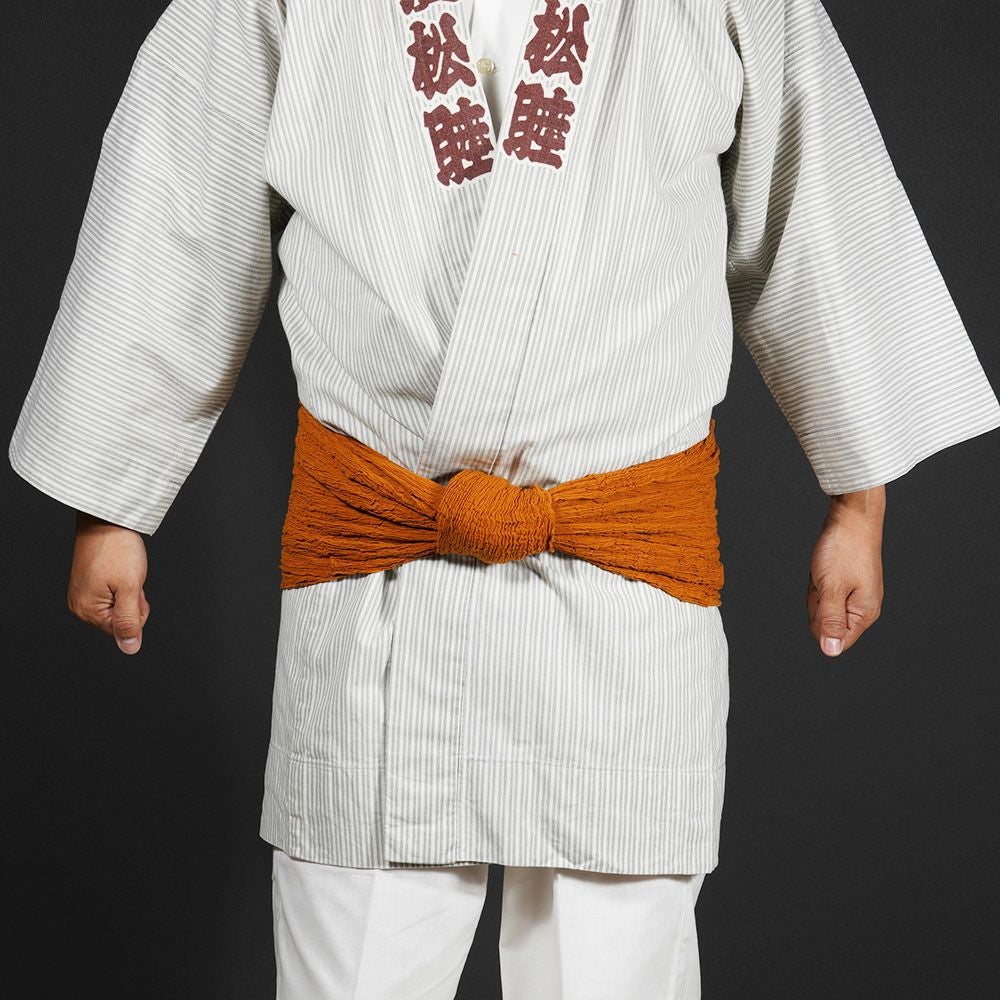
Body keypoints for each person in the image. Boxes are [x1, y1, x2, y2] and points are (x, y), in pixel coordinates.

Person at [9, 1, 1000, 996]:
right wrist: (112, 505)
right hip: (379, 584)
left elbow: (814, 210)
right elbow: (177, 214)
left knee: (612, 971)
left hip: (619, 591)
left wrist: (859, 503)